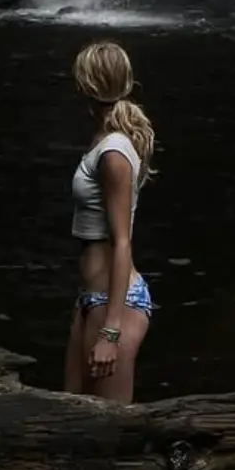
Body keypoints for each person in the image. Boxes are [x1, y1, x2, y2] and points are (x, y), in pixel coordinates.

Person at [64, 40, 155, 403]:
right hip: (91, 298)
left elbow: (122, 241)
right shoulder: (104, 140)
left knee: (107, 431)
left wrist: (111, 332)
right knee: (68, 415)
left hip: (116, 304)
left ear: (86, 84)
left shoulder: (114, 152)